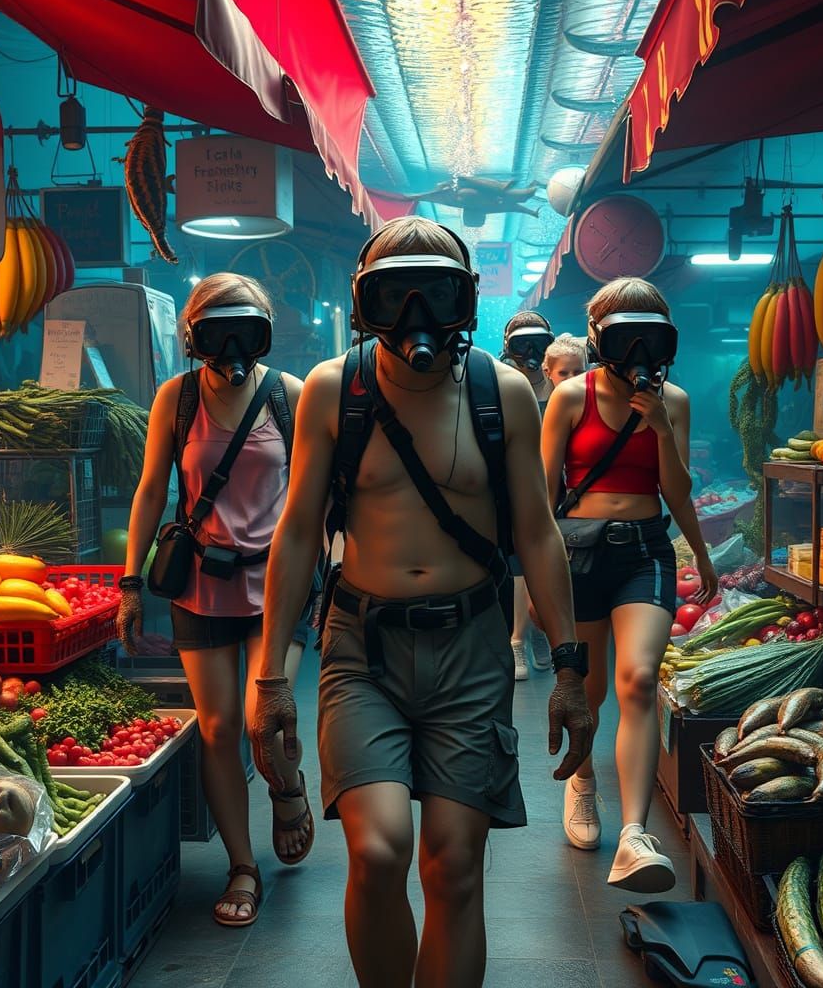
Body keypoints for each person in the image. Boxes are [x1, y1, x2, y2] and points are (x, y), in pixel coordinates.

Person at [250, 216, 592, 988]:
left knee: (455, 865)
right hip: (359, 649)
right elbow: (299, 529)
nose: (416, 320)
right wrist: (270, 677)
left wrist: (568, 669)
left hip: (469, 650)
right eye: (392, 297)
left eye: (434, 295)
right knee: (375, 853)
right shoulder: (336, 391)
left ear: (464, 303)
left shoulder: (502, 394)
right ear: (364, 305)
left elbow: (538, 535)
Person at [117, 273, 314, 928]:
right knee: (218, 727)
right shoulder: (176, 399)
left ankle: (287, 790)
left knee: (265, 716)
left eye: (245, 331)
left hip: (275, 586)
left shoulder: (289, 395)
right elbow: (150, 491)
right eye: (216, 333)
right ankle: (243, 865)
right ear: (193, 339)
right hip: (200, 586)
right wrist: (130, 582)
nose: (232, 348)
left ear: (264, 333)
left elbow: (318, 491)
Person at [540, 277, 717, 891]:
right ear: (599, 338)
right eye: (626, 338)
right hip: (578, 554)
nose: (640, 353)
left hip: (645, 549)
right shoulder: (568, 397)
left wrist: (663, 431)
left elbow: (677, 491)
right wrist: (535, 585)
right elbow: (542, 499)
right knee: (587, 689)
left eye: (652, 338)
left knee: (638, 678)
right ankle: (583, 783)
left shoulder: (677, 401)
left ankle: (634, 835)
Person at [501, 311, 556, 679]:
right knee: (518, 564)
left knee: (551, 559)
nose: (531, 353)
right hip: (511, 483)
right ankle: (517, 639)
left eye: (538, 344)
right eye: (523, 345)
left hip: (556, 486)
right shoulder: (502, 384)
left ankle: (541, 629)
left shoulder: (560, 388)